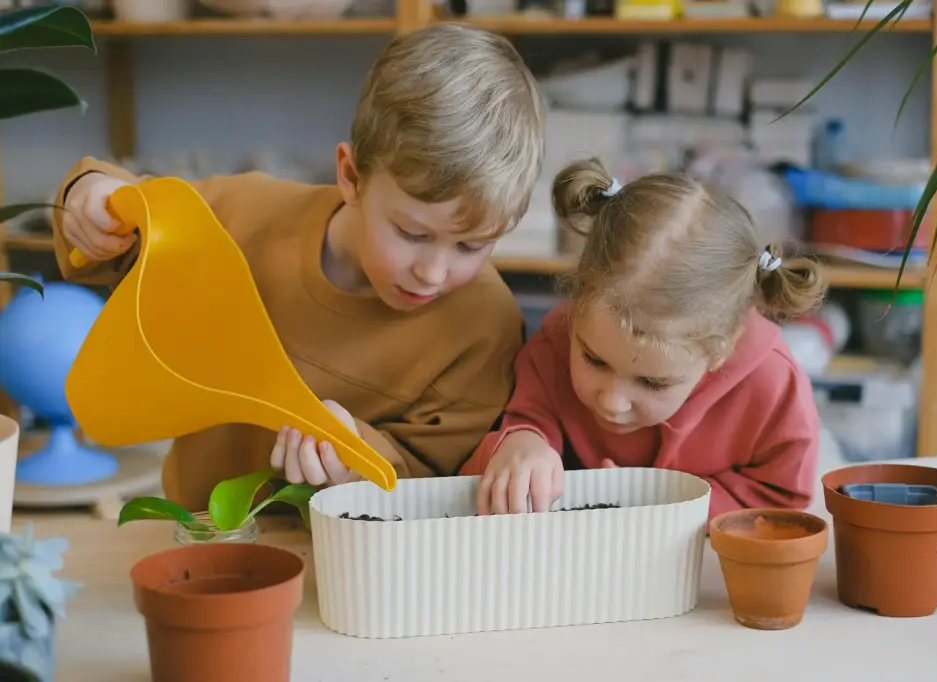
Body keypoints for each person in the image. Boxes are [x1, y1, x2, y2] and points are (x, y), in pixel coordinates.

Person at [52, 23, 546, 511]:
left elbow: (434, 476)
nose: (434, 272)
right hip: (198, 532)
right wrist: (89, 195)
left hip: (351, 563)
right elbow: (134, 220)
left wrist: (357, 455)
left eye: (472, 246)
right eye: (413, 235)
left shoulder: (486, 325)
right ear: (351, 176)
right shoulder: (245, 215)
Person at [460, 158, 827, 520]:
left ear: (723, 348)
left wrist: (662, 503)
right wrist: (522, 442)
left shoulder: (773, 388)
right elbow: (527, 416)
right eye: (594, 360)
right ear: (577, 307)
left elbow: (782, 500)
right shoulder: (556, 341)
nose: (613, 402)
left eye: (653, 382)